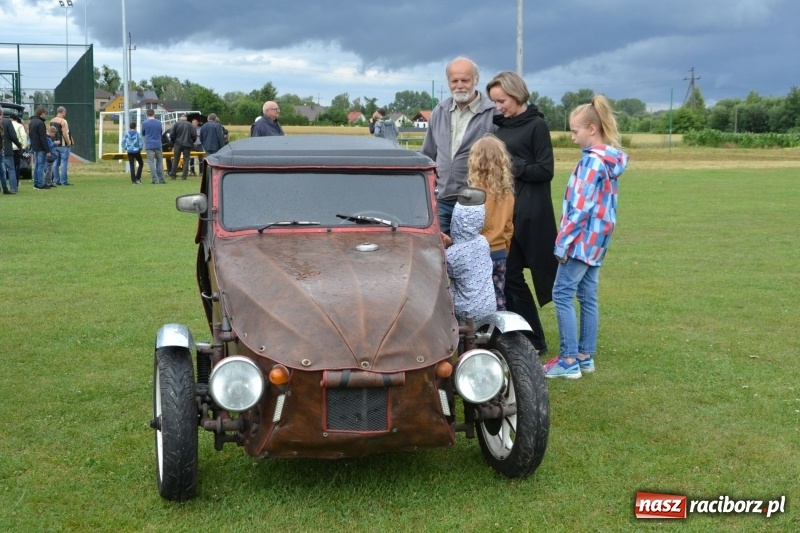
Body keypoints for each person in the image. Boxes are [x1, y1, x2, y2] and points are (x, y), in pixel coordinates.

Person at [545, 95, 628, 379]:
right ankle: (584, 355)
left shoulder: (592, 163)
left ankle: (568, 360)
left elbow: (579, 209)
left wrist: (562, 243)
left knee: (563, 294)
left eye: (575, 131)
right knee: (588, 296)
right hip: (597, 242)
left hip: (581, 242)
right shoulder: (608, 160)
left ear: (592, 129)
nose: (572, 137)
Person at [487, 71, 558, 355]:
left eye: (501, 100)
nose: (498, 107)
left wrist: (509, 163)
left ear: (516, 95)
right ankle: (523, 336)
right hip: (505, 213)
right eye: (494, 101)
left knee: (518, 275)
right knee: (510, 276)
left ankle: (535, 340)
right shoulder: (501, 127)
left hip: (530, 214)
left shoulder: (536, 125)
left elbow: (545, 170)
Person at [421, 56, 497, 234]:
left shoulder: (492, 113)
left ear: (476, 80)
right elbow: (428, 155)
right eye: (454, 80)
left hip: (477, 202)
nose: (459, 85)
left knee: (471, 255)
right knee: (440, 255)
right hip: (442, 200)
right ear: (448, 82)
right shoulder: (439, 111)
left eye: (465, 80)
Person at [466, 135, 515, 310]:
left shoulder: (473, 193)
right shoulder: (507, 192)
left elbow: (469, 227)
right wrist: (504, 247)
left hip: (478, 255)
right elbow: (509, 226)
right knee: (497, 297)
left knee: (475, 299)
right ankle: (498, 333)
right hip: (500, 253)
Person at [445, 202, 496, 320]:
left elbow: (441, 270)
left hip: (466, 310)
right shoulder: (483, 242)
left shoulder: (452, 255)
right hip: (489, 305)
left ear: (456, 222)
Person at [1, 109, 24, 194]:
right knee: (11, 169)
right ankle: (13, 188)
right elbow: (13, 136)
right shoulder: (7, 122)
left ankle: (3, 187)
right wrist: (18, 144)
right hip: (7, 149)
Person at [49, 106, 73, 186]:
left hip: (54, 144)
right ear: (63, 112)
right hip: (63, 145)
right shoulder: (63, 121)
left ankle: (56, 180)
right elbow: (65, 133)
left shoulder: (52, 120)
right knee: (64, 163)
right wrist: (68, 142)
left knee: (55, 163)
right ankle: (64, 181)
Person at [168, 114, 196, 180]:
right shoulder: (190, 125)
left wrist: (173, 141)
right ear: (186, 118)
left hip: (177, 144)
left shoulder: (176, 124)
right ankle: (184, 176)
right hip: (188, 144)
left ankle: (173, 175)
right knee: (186, 160)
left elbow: (172, 134)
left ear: (180, 118)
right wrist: (192, 141)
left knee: (176, 159)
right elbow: (194, 135)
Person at [29, 107, 51, 190]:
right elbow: (43, 138)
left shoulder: (32, 122)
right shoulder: (41, 123)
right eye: (45, 113)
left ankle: (36, 183)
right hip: (40, 147)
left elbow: (30, 135)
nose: (45, 115)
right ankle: (40, 183)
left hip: (34, 146)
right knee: (40, 166)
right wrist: (47, 150)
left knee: (37, 165)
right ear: (41, 113)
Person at [141, 109, 165, 184]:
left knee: (151, 162)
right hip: (158, 143)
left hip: (149, 144)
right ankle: (161, 179)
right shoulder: (159, 122)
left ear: (147, 114)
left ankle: (155, 179)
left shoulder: (144, 123)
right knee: (160, 161)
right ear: (154, 114)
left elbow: (143, 133)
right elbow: (161, 132)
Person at [12, 115, 28, 181]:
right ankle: (16, 182)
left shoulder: (7, 125)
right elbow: (24, 136)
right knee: (16, 166)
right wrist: (24, 147)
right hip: (17, 148)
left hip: (8, 148)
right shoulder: (19, 126)